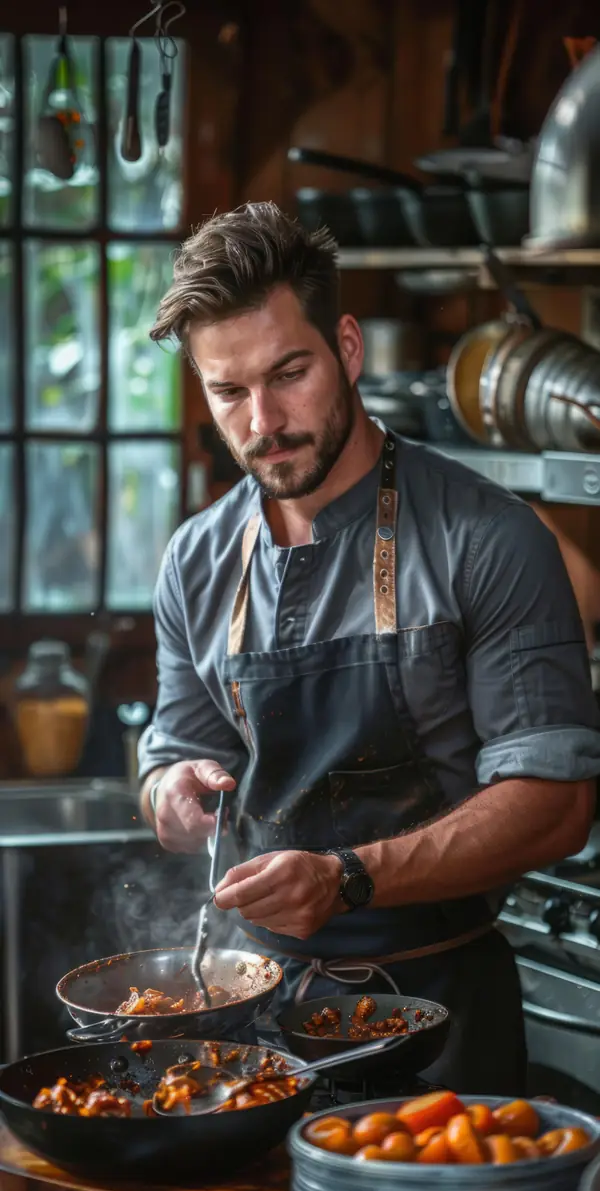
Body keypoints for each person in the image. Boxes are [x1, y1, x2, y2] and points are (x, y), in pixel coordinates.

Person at [138, 201, 600, 1093]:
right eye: (228, 391)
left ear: (347, 349)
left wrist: (347, 879)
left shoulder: (489, 539)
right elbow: (170, 762)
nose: (263, 421)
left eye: (290, 373)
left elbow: (555, 804)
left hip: (444, 1027)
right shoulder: (195, 561)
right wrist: (176, 795)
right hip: (252, 1019)